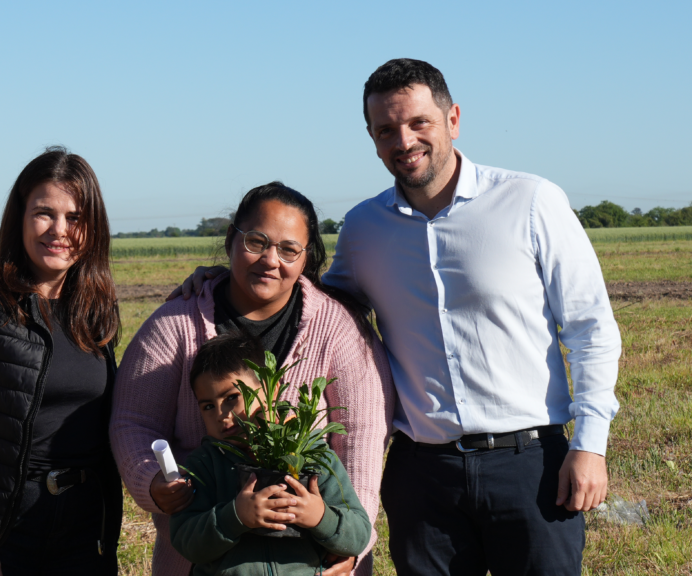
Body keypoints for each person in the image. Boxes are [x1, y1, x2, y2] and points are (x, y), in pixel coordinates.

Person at [178, 58, 622, 575]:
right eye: (385, 130)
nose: (403, 140)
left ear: (453, 119)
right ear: (371, 137)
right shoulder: (365, 228)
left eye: (418, 123)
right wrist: (230, 270)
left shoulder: (530, 201)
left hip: (529, 463)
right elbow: (315, 298)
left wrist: (590, 446)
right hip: (423, 474)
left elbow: (591, 329)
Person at [111, 182, 395, 576]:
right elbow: (133, 422)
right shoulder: (175, 324)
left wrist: (350, 547)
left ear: (306, 257)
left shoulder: (340, 331)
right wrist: (155, 481)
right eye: (257, 242)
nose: (270, 259)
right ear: (231, 240)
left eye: (289, 249)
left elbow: (360, 443)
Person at [0, 147, 123, 575]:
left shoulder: (96, 308)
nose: (59, 230)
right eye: (43, 213)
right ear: (19, 217)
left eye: (74, 217)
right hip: (5, 527)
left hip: (83, 526)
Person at [170, 331, 372, 576]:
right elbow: (185, 540)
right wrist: (235, 517)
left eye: (233, 398)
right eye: (209, 406)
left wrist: (320, 517)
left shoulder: (313, 455)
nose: (222, 415)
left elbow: (359, 534)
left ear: (270, 390)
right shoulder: (205, 464)